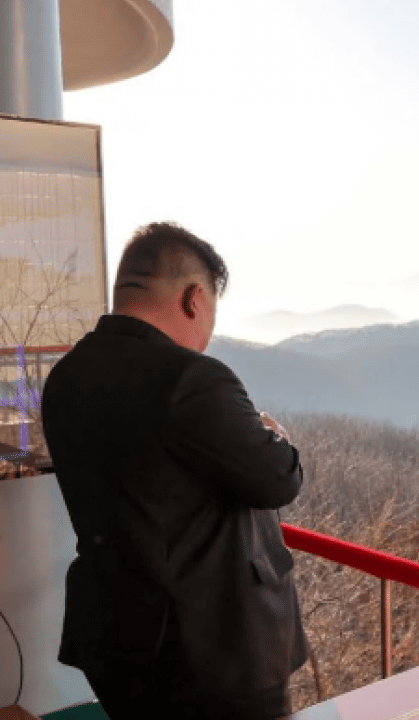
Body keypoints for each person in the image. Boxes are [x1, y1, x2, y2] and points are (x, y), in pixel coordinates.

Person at [41, 222, 308, 719]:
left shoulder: (67, 376)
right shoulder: (192, 379)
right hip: (214, 650)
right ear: (193, 299)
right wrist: (278, 437)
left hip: (117, 637)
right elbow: (277, 478)